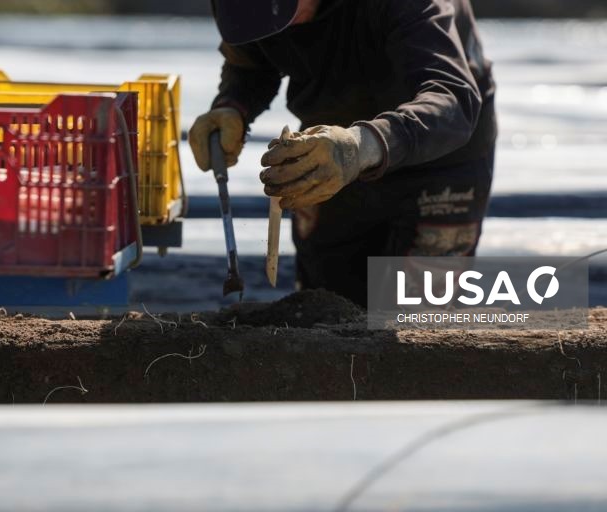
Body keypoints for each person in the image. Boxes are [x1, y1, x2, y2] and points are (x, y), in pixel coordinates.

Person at [189, 0, 497, 307]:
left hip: (441, 155)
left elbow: (453, 99)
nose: (287, 31)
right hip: (329, 150)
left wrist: (362, 146)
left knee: (418, 318)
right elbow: (254, 59)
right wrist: (232, 105)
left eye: (286, 14)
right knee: (326, 308)